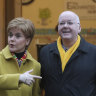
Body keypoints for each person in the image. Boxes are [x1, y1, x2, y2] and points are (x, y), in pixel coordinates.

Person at [40, 11, 96, 96]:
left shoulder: (93, 52)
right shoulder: (46, 52)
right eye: (62, 23)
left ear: (79, 28)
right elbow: (41, 84)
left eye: (70, 23)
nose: (65, 26)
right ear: (58, 27)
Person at [0, 17, 42, 96]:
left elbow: (36, 94)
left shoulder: (35, 65)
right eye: (10, 35)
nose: (12, 39)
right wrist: (19, 78)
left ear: (27, 41)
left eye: (18, 36)